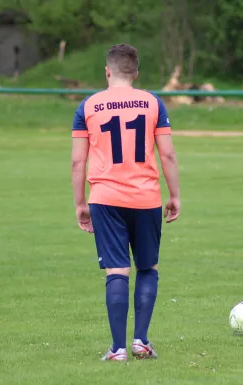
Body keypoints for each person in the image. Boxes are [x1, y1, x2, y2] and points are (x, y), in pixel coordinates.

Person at [71, 43, 181, 361]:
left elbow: (78, 163)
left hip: (104, 199)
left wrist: (80, 203)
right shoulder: (152, 103)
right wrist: (174, 195)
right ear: (136, 73)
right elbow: (169, 154)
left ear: (107, 71)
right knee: (147, 267)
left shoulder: (88, 107)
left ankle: (118, 349)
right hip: (145, 197)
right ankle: (141, 342)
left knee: (116, 270)